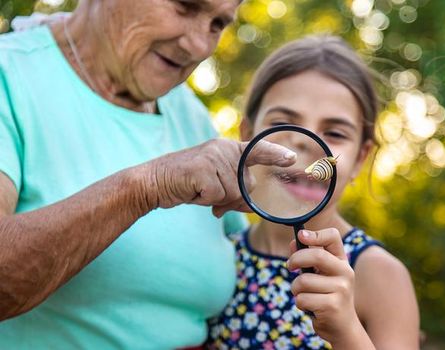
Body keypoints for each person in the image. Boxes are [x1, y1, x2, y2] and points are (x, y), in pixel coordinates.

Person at [0, 1, 300, 347]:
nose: (199, 45)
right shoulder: (12, 74)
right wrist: (149, 185)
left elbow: (249, 265)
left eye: (217, 23)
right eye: (184, 7)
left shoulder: (190, 115)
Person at [205, 36, 420, 349]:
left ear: (361, 158)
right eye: (282, 122)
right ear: (247, 137)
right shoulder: (219, 256)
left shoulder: (379, 274)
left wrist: (347, 331)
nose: (306, 142)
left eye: (334, 133)